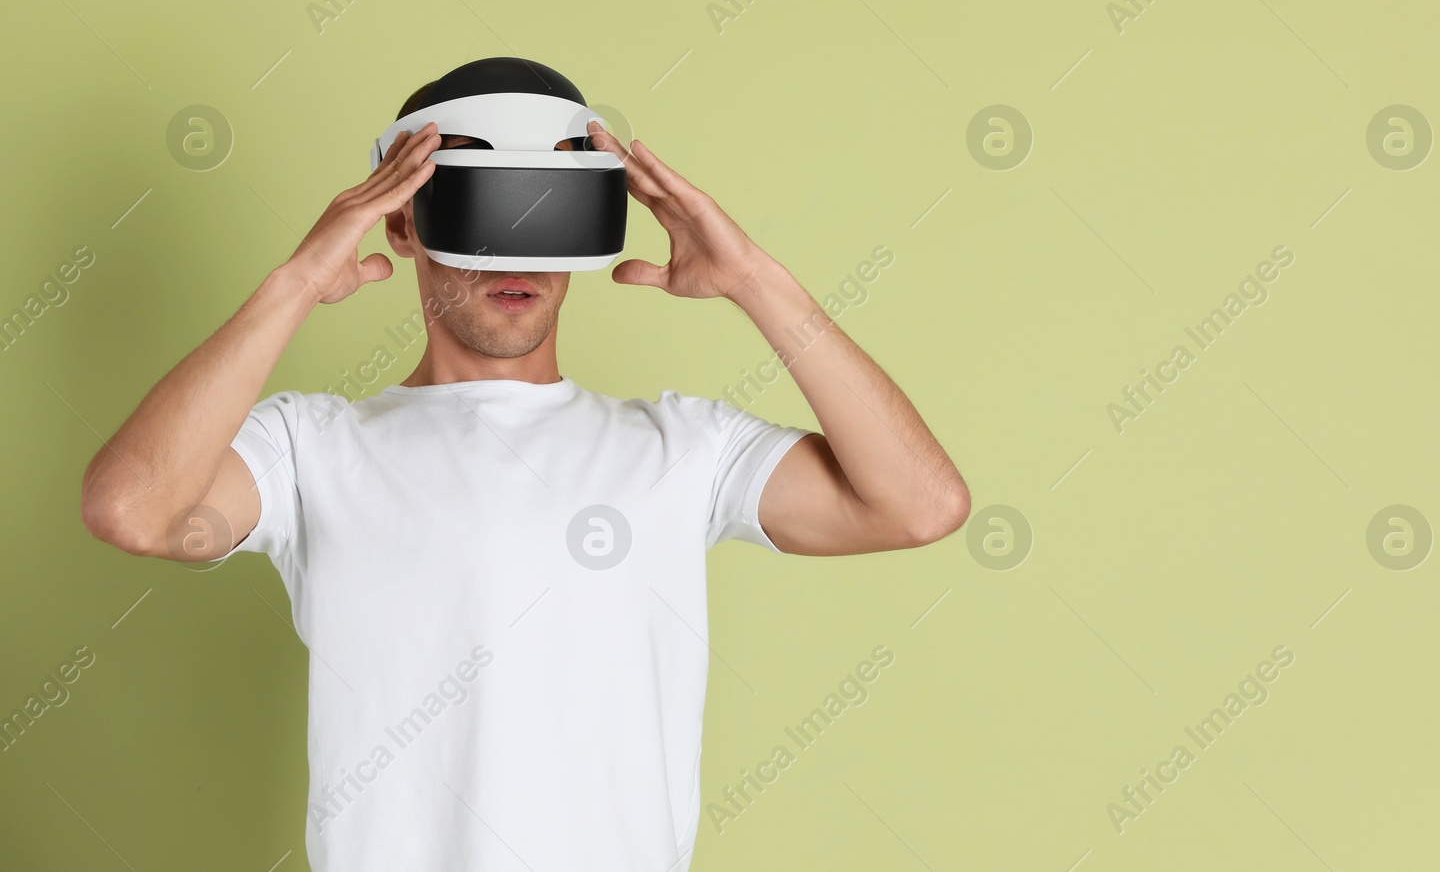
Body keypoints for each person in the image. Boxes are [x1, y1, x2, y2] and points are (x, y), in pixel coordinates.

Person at [78, 58, 970, 871]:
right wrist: (292, 286)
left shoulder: (683, 449)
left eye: (549, 210)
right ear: (403, 216)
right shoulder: (310, 450)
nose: (518, 254)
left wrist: (755, 280)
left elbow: (920, 504)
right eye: (482, 206)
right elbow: (135, 509)